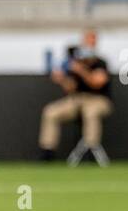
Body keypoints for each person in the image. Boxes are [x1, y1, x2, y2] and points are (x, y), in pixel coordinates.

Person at [38, 28, 112, 164]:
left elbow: (97, 83)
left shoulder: (101, 62)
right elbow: (71, 87)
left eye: (92, 41)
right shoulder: (75, 61)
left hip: (97, 100)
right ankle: (47, 152)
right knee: (50, 111)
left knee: (90, 112)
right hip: (77, 99)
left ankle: (91, 150)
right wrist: (61, 79)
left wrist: (80, 70)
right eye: (87, 40)